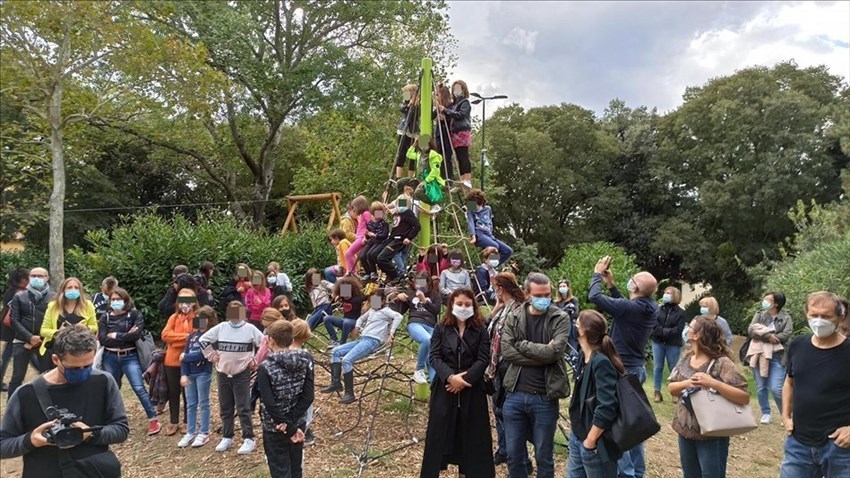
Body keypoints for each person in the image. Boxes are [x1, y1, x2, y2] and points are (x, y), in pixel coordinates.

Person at [0, 325, 129, 478]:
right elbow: (3, 445)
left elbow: (121, 430)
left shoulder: (103, 381)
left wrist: (90, 434)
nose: (82, 371)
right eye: (74, 368)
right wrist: (30, 440)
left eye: (87, 366)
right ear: (56, 359)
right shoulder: (26, 394)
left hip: (92, 471)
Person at [588, 257, 658, 478]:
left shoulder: (633, 308)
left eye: (632, 280)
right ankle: (637, 472)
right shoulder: (649, 306)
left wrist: (597, 275)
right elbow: (624, 308)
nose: (630, 281)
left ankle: (626, 474)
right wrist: (612, 285)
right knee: (632, 423)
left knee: (619, 426)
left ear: (635, 287)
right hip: (635, 368)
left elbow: (594, 297)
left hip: (623, 369)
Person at [500, 272, 570, 478]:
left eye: (547, 294)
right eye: (539, 295)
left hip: (544, 398)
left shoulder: (560, 317)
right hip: (515, 395)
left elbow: (555, 352)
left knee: (543, 456)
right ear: (527, 294)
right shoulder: (514, 316)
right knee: (514, 455)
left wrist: (522, 345)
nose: (544, 299)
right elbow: (507, 351)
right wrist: (543, 355)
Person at [420, 287, 494, 478]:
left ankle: (468, 472)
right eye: (459, 304)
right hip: (445, 387)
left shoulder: (480, 329)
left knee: (472, 435)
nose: (463, 307)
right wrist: (450, 377)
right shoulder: (441, 328)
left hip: (472, 388)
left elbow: (483, 359)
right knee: (439, 434)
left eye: (467, 304)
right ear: (452, 304)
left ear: (473, 306)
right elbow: (434, 356)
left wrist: (464, 380)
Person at [669, 316, 750, 478]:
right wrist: (688, 383)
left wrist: (713, 383)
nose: (687, 329)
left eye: (690, 327)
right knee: (690, 474)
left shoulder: (722, 363)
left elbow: (744, 397)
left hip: (712, 434)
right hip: (685, 431)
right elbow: (671, 388)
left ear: (698, 335)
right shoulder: (686, 357)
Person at [779, 291, 850, 478]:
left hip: (840, 447)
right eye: (814, 315)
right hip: (799, 444)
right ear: (806, 314)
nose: (819, 321)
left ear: (840, 317)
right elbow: (789, 382)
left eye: (826, 316)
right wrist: (785, 415)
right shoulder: (798, 345)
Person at [568, 310, 627, 478]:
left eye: (576, 324)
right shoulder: (583, 356)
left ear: (582, 331)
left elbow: (607, 405)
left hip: (594, 444)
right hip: (578, 436)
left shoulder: (601, 362)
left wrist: (590, 440)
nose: (573, 328)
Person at [200, 301, 264, 455]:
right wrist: (211, 355)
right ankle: (227, 436)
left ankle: (249, 438)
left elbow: (264, 343)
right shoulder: (221, 327)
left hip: (242, 373)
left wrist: (255, 360)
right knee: (225, 406)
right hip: (222, 372)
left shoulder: (250, 329)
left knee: (243, 407)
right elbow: (203, 340)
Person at [98, 287, 162, 435]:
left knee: (138, 387)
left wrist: (115, 335)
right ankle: (109, 419)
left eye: (118, 299)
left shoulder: (134, 315)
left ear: (125, 300)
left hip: (130, 356)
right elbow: (103, 340)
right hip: (110, 357)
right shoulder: (105, 318)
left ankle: (153, 419)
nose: (115, 302)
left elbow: (136, 336)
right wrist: (126, 335)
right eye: (113, 299)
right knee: (111, 388)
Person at [322, 289, 403, 404]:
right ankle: (336, 383)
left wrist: (392, 332)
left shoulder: (386, 311)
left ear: (382, 301)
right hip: (363, 339)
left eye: (376, 301)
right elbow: (360, 318)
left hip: (373, 341)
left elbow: (399, 316)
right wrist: (357, 327)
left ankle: (350, 394)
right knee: (335, 351)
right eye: (372, 301)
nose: (373, 303)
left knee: (346, 360)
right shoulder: (371, 311)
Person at [487, 272, 532, 470]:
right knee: (499, 411)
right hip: (496, 366)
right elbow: (489, 330)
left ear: (500, 288)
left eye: (494, 287)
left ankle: (523, 460)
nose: (493, 290)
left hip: (509, 367)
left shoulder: (517, 309)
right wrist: (497, 307)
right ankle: (504, 450)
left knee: (510, 414)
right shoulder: (504, 308)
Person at [258, 320, 314, 478]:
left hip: (275, 427)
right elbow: (308, 396)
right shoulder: (306, 359)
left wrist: (287, 425)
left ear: (271, 341)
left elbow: (269, 403)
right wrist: (293, 425)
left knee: (280, 469)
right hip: (297, 422)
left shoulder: (265, 367)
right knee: (296, 468)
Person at [8, 267, 55, 400]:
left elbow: (55, 320)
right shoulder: (19, 296)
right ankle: (12, 404)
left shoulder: (54, 297)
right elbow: (14, 319)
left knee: (47, 374)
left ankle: (49, 403)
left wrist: (40, 338)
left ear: (47, 278)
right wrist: (29, 337)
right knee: (17, 376)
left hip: (45, 342)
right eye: (33, 276)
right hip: (21, 342)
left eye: (40, 276)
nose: (36, 278)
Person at [746, 291, 792, 425]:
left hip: (778, 356)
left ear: (776, 303)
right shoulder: (759, 315)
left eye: (768, 300)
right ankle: (766, 412)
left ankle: (785, 414)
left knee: (777, 388)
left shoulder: (786, 318)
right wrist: (768, 336)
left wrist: (770, 337)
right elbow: (751, 331)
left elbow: (786, 334)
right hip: (759, 354)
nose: (764, 302)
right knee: (761, 387)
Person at [178, 305, 218, 448]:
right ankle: (191, 431)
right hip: (190, 374)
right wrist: (183, 374)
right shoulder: (192, 336)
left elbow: (204, 355)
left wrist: (186, 357)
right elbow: (184, 356)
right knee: (191, 404)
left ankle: (204, 432)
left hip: (203, 373)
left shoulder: (211, 336)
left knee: (203, 403)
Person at [161, 288, 197, 435]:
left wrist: (174, 339)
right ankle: (173, 421)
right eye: (182, 300)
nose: (184, 304)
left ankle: (188, 421)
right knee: (173, 392)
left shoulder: (198, 317)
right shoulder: (173, 317)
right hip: (171, 360)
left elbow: (197, 337)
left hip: (189, 360)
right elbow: (165, 335)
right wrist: (185, 337)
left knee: (188, 393)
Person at [395, 271, 442, 384]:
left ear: (428, 283)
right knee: (427, 339)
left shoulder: (435, 295)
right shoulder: (411, 293)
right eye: (418, 283)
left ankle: (434, 385)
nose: (420, 286)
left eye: (423, 283)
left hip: (430, 325)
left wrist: (425, 301)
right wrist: (398, 297)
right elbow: (399, 311)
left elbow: (436, 310)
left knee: (432, 355)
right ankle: (419, 369)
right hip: (415, 322)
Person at [39, 277, 98, 364]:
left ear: (80, 290)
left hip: (79, 351)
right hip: (55, 350)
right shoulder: (53, 306)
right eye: (69, 287)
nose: (73, 290)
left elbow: (95, 327)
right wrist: (58, 332)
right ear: (63, 290)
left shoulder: (87, 305)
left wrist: (85, 328)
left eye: (76, 287)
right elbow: (43, 331)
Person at [374, 192, 421, 285]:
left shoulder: (408, 213)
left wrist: (409, 238)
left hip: (399, 240)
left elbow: (417, 226)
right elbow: (386, 211)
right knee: (374, 254)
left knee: (383, 258)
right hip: (392, 238)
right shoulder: (397, 213)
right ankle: (390, 274)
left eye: (402, 203)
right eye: (399, 203)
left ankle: (397, 274)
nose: (400, 205)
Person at [650, 286, 687, 403]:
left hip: (673, 343)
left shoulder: (681, 313)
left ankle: (675, 392)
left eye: (669, 293)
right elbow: (654, 325)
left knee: (673, 368)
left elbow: (678, 329)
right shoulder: (658, 309)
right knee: (658, 367)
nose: (666, 294)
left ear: (675, 296)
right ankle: (657, 392)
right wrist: (663, 331)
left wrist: (663, 331)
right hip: (658, 342)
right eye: (665, 292)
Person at [439, 80, 473, 189]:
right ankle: (462, 180)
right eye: (454, 89)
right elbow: (452, 116)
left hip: (462, 130)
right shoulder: (455, 104)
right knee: (459, 157)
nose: (456, 91)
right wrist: (444, 118)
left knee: (463, 155)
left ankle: (467, 179)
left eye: (458, 88)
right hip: (455, 131)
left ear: (463, 90)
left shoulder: (465, 102)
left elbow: (460, 115)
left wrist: (446, 110)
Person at [465, 189, 512, 266]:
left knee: (508, 251)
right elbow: (471, 223)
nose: (473, 207)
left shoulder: (488, 209)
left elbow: (490, 222)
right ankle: (489, 266)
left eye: (475, 205)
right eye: (471, 204)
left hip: (488, 235)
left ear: (481, 203)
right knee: (495, 246)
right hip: (479, 234)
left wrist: (491, 235)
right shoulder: (471, 209)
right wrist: (473, 237)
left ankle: (492, 266)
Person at [289, 319, 316, 446]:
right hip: (303, 393)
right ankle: (303, 432)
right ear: (306, 336)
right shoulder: (306, 356)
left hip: (285, 393)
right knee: (305, 415)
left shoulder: (280, 352)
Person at [0, 269, 28, 392]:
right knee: (8, 355)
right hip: (15, 328)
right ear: (23, 280)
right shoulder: (20, 293)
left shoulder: (9, 292)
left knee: (7, 355)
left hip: (8, 327)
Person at [323, 276, 367, 346]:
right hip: (344, 321)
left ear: (352, 289)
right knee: (326, 318)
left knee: (346, 322)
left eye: (347, 291)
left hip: (355, 321)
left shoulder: (359, 297)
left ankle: (342, 343)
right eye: (343, 292)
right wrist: (336, 296)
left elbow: (370, 297)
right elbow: (333, 290)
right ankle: (334, 340)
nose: (345, 295)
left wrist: (366, 304)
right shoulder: (342, 297)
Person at [360, 201, 390, 281]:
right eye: (377, 212)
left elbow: (385, 235)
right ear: (373, 213)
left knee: (370, 254)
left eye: (381, 212)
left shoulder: (384, 223)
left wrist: (375, 235)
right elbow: (367, 234)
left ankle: (373, 272)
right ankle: (368, 272)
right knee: (362, 256)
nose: (379, 214)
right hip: (371, 241)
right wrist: (365, 237)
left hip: (379, 241)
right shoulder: (370, 223)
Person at [344, 195, 371, 276]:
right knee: (352, 254)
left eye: (354, 207)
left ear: (360, 206)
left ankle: (353, 272)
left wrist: (365, 237)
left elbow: (370, 225)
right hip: (359, 237)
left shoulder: (366, 213)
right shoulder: (362, 215)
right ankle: (353, 271)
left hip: (361, 237)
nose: (354, 209)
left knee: (348, 253)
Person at [434, 83, 455, 182]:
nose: (436, 97)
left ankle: (448, 178)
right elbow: (431, 116)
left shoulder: (451, 106)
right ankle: (440, 177)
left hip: (447, 134)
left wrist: (444, 118)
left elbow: (453, 118)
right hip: (439, 134)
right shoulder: (438, 107)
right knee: (439, 156)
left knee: (447, 157)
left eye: (437, 95)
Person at [554, 279, 580, 359]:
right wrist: (564, 310)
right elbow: (555, 314)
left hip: (571, 325)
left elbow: (576, 314)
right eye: (560, 286)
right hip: (560, 325)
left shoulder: (574, 300)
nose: (562, 288)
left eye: (564, 286)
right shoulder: (556, 302)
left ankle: (574, 357)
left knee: (573, 341)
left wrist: (570, 311)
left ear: (568, 287)